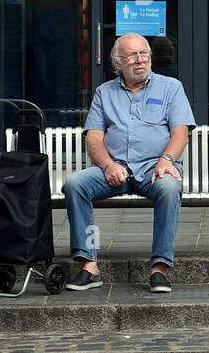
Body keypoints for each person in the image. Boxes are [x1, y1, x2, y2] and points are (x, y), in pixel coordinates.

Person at [63, 33, 197, 294]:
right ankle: (89, 265)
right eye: (132, 56)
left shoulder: (171, 87)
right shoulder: (105, 93)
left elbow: (181, 132)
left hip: (154, 169)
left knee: (170, 189)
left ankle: (159, 269)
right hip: (116, 169)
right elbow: (93, 138)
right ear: (117, 63)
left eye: (144, 53)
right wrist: (107, 165)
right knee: (74, 185)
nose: (140, 60)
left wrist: (166, 160)